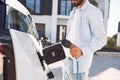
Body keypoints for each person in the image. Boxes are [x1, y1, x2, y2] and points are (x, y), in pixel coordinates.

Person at [62, 0, 107, 80]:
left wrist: (82, 51)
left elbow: (101, 39)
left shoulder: (93, 12)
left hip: (80, 66)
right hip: (67, 61)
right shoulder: (73, 12)